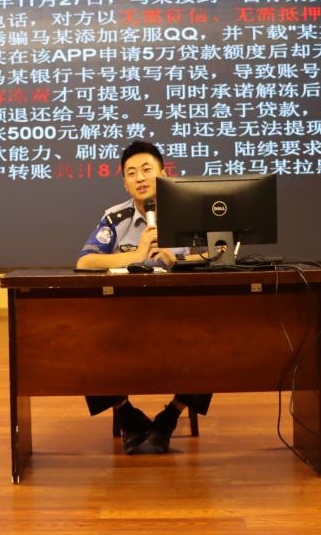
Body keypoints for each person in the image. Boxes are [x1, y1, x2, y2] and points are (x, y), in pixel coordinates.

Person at [76, 140, 212, 454]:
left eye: (147, 169)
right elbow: (85, 262)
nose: (140, 178)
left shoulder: (188, 212)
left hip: (179, 316)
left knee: (214, 335)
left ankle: (171, 415)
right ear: (124, 183)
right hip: (123, 318)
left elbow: (216, 255)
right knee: (83, 334)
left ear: (163, 174)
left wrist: (179, 260)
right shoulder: (115, 218)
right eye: (131, 173)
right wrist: (135, 255)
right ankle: (126, 413)